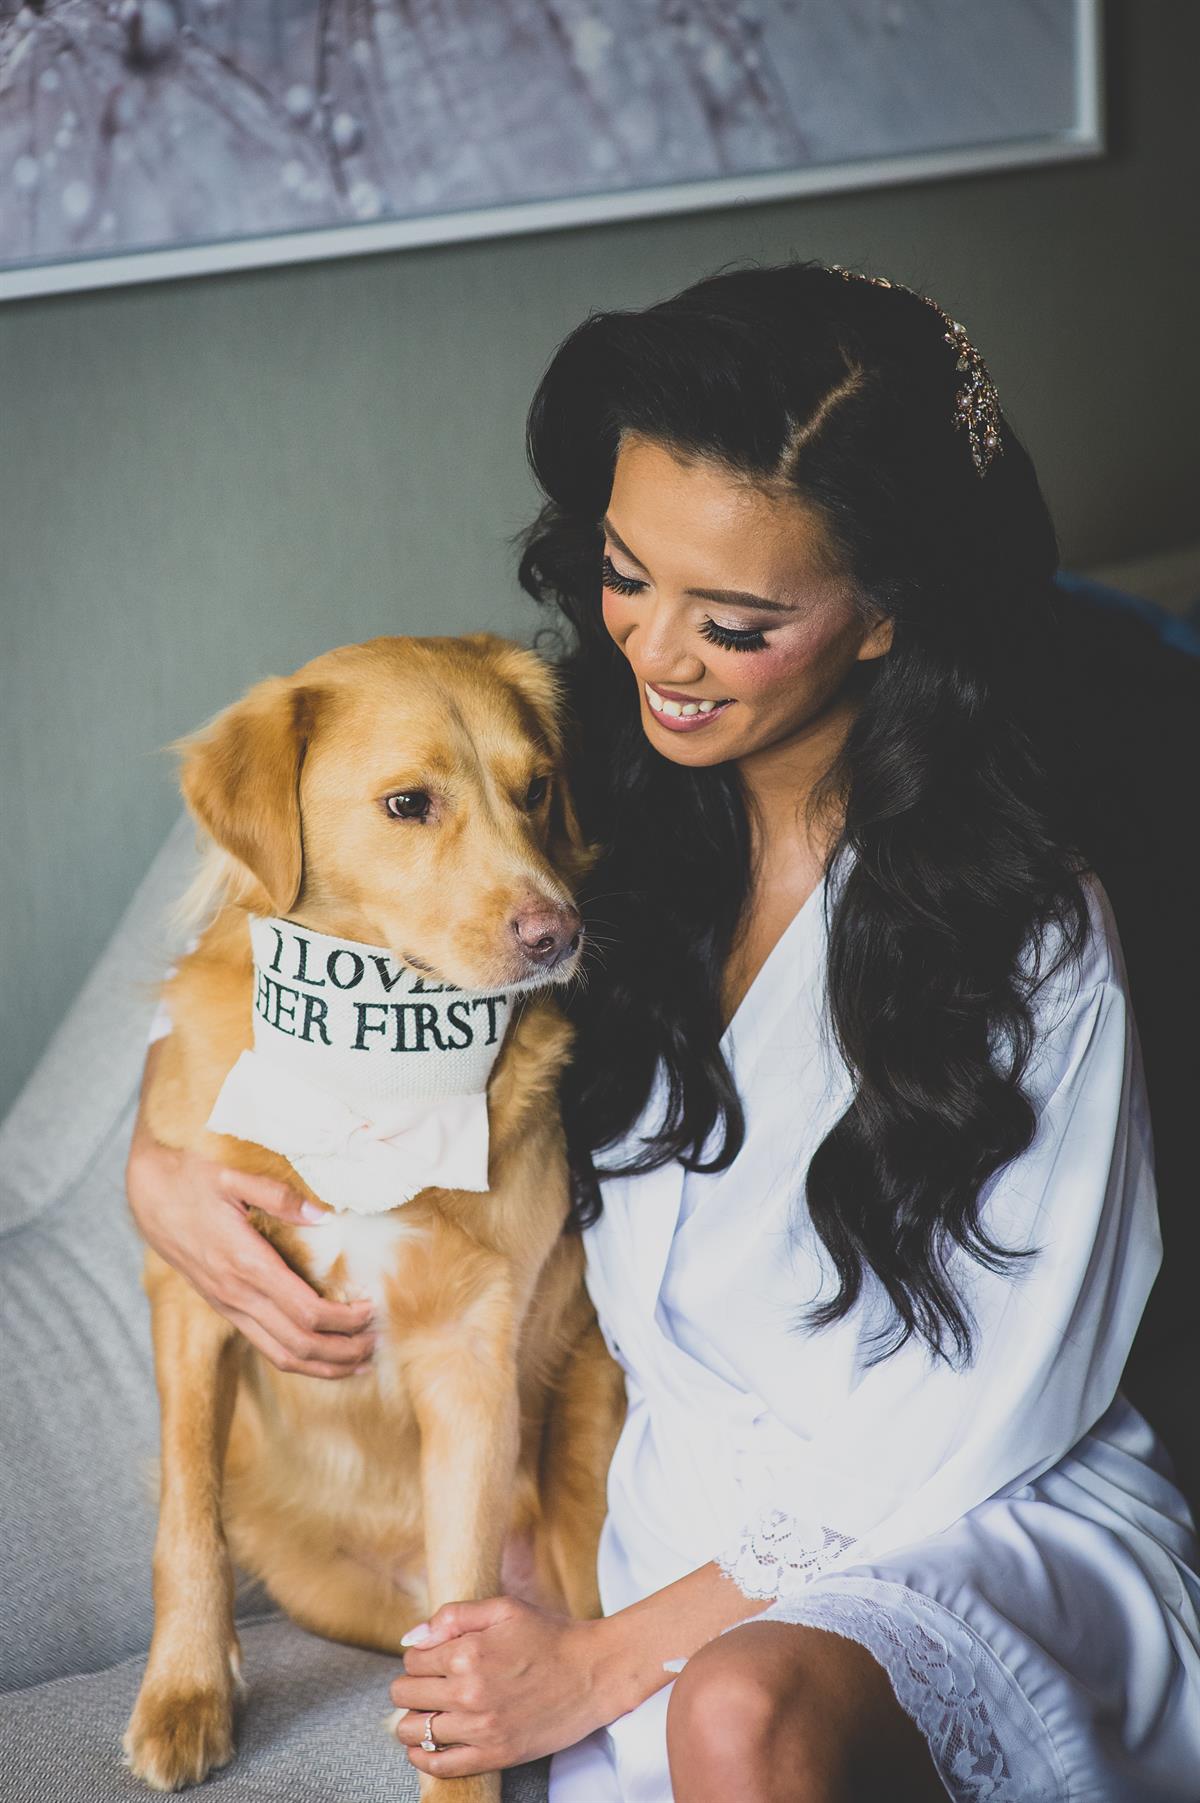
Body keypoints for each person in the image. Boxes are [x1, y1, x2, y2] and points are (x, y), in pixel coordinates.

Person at [126, 260, 1200, 1802]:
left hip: (966, 1521)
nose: (657, 654)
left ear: (886, 616)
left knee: (736, 1717)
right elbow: (288, 969)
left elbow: (972, 1422)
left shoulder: (1025, 936)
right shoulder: (573, 821)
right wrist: (162, 1173)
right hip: (653, 1515)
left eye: (737, 621)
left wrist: (603, 1662)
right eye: (628, 576)